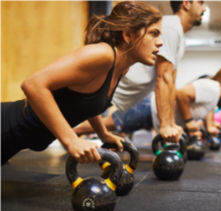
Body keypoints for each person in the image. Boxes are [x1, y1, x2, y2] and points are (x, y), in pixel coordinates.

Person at [1, 1, 163, 165]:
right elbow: (33, 84)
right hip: (6, 127)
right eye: (154, 33)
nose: (160, 42)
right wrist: (71, 140)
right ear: (128, 35)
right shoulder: (102, 54)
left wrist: (103, 134)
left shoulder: (121, 68)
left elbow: (89, 101)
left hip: (13, 142)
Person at [76, 0, 207, 143]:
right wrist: (164, 126)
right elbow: (163, 78)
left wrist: (171, 124)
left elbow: (171, 83)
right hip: (119, 89)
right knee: (73, 116)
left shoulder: (177, 34)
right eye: (200, 2)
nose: (204, 8)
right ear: (186, 4)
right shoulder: (171, 28)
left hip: (119, 92)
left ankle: (71, 133)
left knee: (81, 116)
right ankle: (72, 133)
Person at [74, 73, 221, 140]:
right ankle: (70, 133)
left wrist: (204, 124)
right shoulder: (212, 88)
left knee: (110, 125)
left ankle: (72, 133)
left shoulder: (214, 94)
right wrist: (188, 122)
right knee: (109, 124)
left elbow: (203, 109)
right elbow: (181, 94)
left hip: (153, 115)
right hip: (149, 109)